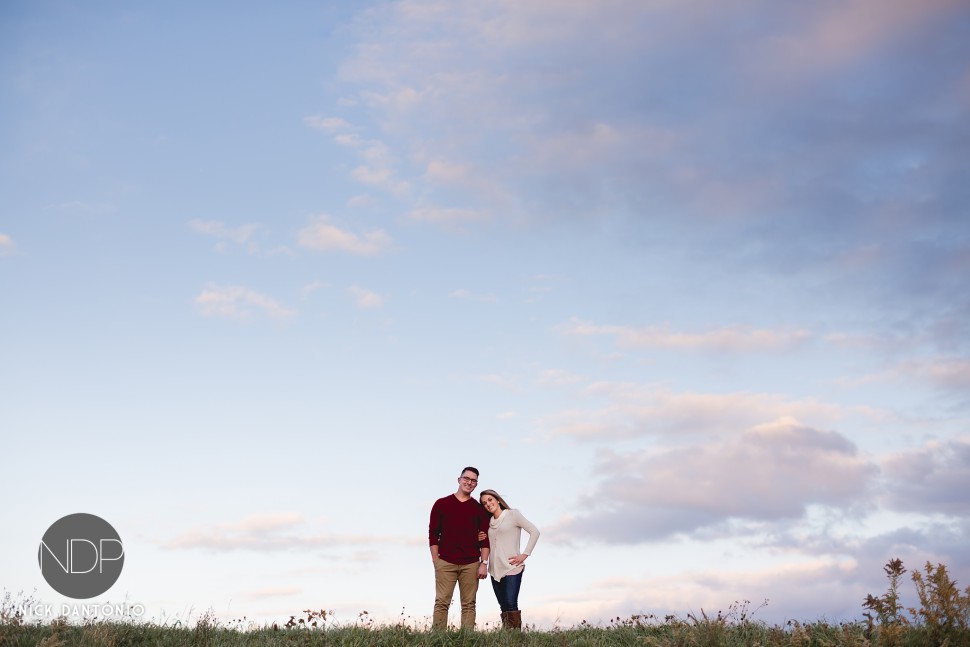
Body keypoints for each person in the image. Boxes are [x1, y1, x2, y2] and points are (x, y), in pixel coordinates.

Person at [428, 466, 491, 630]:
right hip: (445, 562)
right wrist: (436, 559)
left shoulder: (479, 509)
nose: (469, 483)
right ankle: (438, 638)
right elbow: (433, 533)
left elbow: (485, 539)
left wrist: (484, 563)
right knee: (442, 602)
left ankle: (467, 639)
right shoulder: (441, 504)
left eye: (473, 481)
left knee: (469, 604)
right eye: (466, 479)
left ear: (476, 484)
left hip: (471, 564)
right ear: (459, 479)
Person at [478, 488, 540, 630]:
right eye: (484, 503)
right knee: (503, 606)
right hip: (495, 569)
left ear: (497, 499)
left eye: (490, 500)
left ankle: (516, 638)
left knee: (511, 603)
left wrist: (525, 554)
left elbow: (534, 531)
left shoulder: (513, 515)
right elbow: (486, 544)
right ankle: (508, 639)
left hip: (512, 567)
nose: (488, 504)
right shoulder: (488, 522)